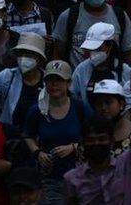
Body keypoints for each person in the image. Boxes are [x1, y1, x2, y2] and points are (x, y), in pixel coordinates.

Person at [61, 69, 131, 204]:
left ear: (111, 142)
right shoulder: (72, 180)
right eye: (99, 104)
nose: (104, 108)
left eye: (108, 102)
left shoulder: (125, 166)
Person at [22, 59, 89, 203]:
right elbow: (27, 135)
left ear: (68, 83)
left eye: (59, 79)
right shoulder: (37, 110)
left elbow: (95, 136)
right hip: (50, 179)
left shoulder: (80, 108)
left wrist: (73, 147)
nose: (54, 84)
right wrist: (37, 153)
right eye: (50, 79)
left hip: (80, 177)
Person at [0, 32, 47, 136]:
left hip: (40, 136)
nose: (23, 58)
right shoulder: (7, 76)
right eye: (21, 53)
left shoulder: (48, 80)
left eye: (28, 54)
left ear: (38, 58)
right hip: (11, 137)